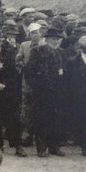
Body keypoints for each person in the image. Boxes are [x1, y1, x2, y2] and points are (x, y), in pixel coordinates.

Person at [24, 28, 65, 157]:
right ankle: (41, 148)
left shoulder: (60, 53)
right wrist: (36, 87)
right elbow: (29, 71)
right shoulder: (37, 51)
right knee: (41, 119)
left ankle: (54, 147)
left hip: (56, 92)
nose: (55, 41)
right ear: (46, 39)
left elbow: (62, 73)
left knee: (55, 119)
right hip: (41, 92)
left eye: (57, 39)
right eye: (53, 39)